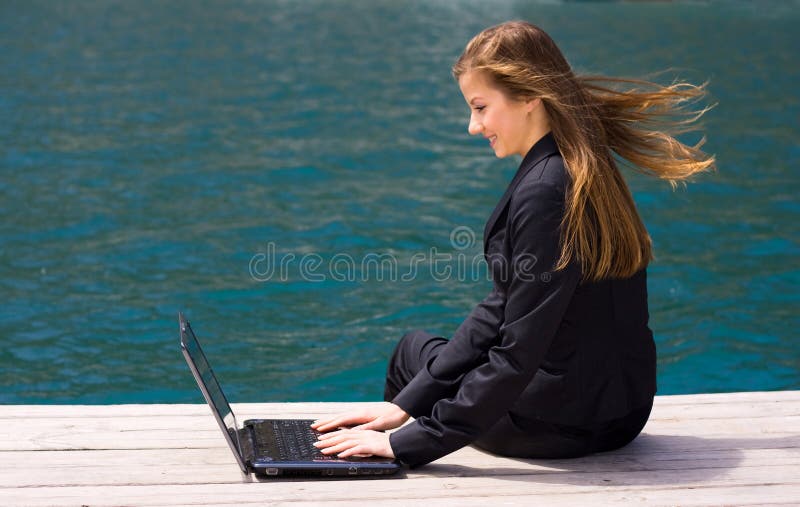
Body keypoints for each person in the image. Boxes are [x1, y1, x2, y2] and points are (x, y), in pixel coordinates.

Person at [311, 20, 715, 468]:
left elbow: (518, 351)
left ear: (528, 97)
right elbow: (505, 305)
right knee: (421, 363)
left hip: (559, 425)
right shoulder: (585, 163)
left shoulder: (546, 189)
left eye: (481, 107)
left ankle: (379, 458)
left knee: (411, 351)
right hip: (623, 411)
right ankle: (390, 424)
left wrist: (409, 442)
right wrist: (406, 405)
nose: (473, 126)